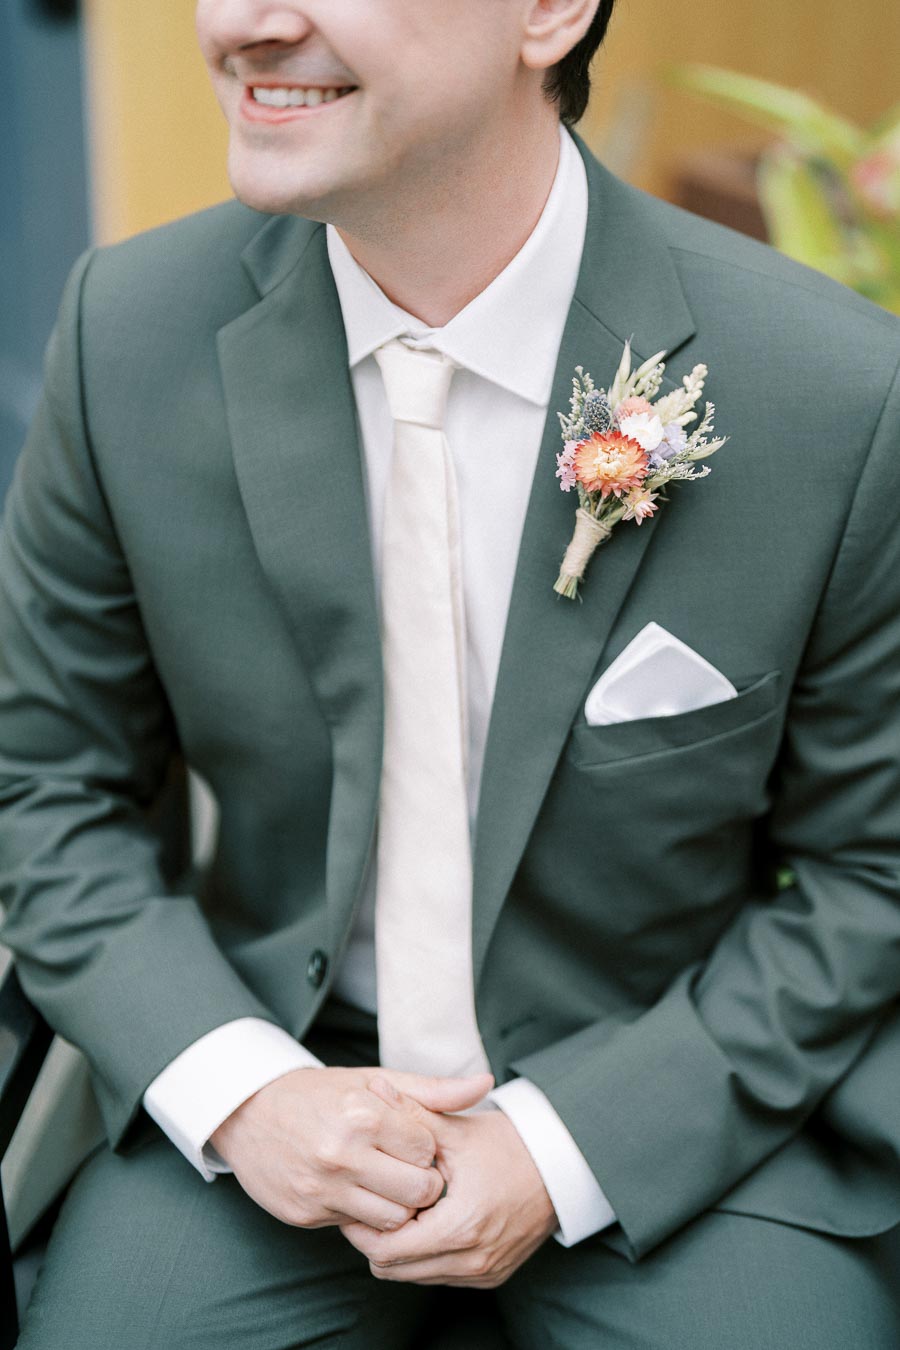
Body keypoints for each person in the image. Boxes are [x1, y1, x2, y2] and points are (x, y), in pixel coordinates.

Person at [2, 0, 900, 1345]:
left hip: (679, 1096)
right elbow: (44, 789)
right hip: (276, 1074)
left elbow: (872, 871)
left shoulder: (831, 392)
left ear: (547, 12)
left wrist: (562, 1147)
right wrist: (241, 1090)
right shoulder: (124, 332)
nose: (244, 22)